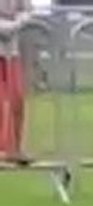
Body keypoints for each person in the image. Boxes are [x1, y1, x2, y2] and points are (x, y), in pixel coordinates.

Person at [0, 0, 30, 165]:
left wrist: (17, 22)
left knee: (17, 99)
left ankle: (15, 148)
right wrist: (11, 26)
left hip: (11, 51)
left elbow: (27, 10)